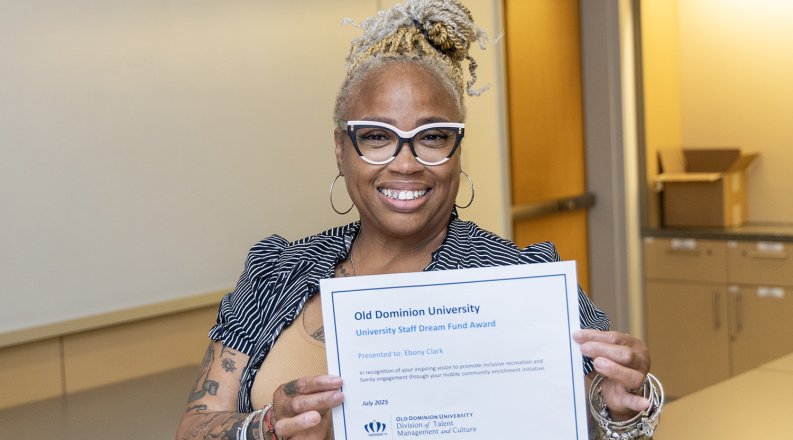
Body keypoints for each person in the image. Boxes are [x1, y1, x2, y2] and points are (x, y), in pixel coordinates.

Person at [176, 1, 659, 439]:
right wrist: (267, 428)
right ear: (342, 150)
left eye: (432, 137)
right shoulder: (277, 271)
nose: (405, 163)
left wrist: (620, 406)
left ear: (456, 152)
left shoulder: (518, 280)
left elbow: (603, 408)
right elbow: (194, 426)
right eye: (377, 136)